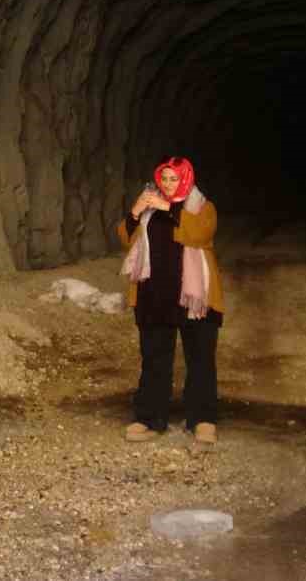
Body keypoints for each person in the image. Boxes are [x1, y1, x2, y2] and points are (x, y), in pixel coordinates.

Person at [117, 157, 225, 445]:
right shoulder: (149, 209)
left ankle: (202, 419)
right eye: (163, 179)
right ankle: (149, 418)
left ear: (186, 179)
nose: (167, 184)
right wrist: (136, 211)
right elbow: (126, 238)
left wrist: (169, 207)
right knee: (154, 359)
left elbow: (201, 234)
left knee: (200, 359)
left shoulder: (202, 207)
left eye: (173, 179)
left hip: (194, 297)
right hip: (154, 295)